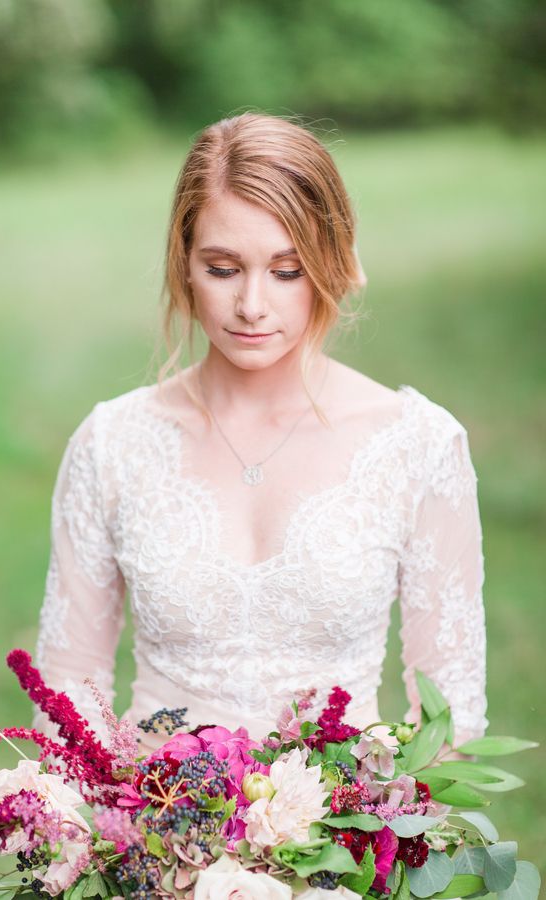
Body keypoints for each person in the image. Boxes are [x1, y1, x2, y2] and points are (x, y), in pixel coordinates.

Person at [31, 112, 488, 760]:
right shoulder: (113, 444)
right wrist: (112, 837)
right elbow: (68, 689)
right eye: (222, 268)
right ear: (183, 263)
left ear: (331, 261)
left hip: (345, 848)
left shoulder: (417, 444)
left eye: (286, 270)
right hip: (154, 833)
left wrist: (376, 845)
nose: (252, 305)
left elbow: (452, 718)